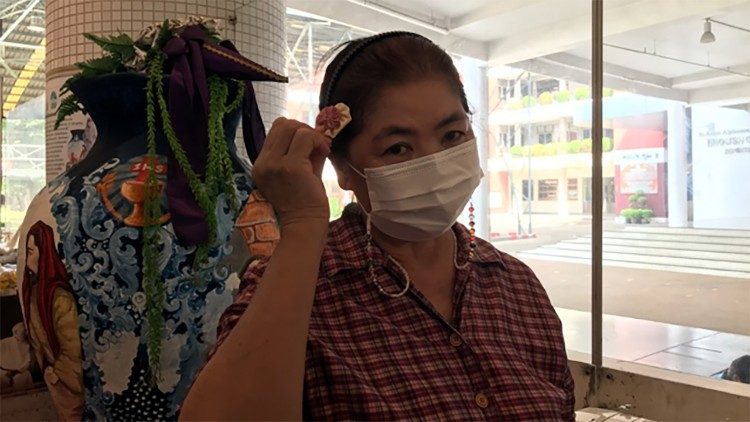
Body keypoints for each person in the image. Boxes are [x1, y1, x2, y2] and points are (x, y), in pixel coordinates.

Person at [182, 32, 574, 420]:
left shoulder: (518, 287)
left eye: (452, 135)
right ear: (343, 169)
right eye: (398, 148)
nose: (435, 163)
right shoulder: (300, 290)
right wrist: (302, 223)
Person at [22, 221, 84, 421]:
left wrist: (55, 373)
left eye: (30, 252)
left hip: (67, 383)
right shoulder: (34, 292)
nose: (26, 260)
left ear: (44, 252)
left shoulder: (60, 299)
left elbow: (73, 352)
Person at [0, 323, 34, 390]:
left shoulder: (27, 345)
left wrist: (17, 371)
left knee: (23, 377)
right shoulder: (4, 342)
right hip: (3, 371)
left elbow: (28, 362)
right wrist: (6, 371)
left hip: (20, 372)